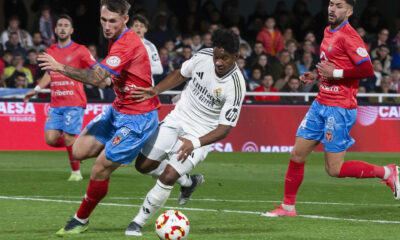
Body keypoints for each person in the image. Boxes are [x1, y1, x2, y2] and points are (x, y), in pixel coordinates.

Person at [263, 0, 399, 218]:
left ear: (350, 11)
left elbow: (366, 69)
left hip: (340, 108)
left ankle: (386, 171)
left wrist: (335, 75)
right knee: (297, 154)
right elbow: (331, 63)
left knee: (333, 170)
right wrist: (316, 75)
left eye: (338, 5)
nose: (331, 9)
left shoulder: (350, 36)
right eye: (330, 4)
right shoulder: (328, 31)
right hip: (320, 103)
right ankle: (287, 208)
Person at [37, 0, 160, 235]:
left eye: (112, 21)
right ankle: (133, 151)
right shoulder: (114, 36)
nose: (106, 26)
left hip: (138, 117)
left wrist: (59, 67)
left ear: (125, 20)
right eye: (103, 20)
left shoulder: (127, 43)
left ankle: (80, 219)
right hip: (118, 109)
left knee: (99, 168)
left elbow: (97, 78)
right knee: (78, 151)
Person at [124, 29, 246, 236]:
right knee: (143, 165)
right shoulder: (203, 56)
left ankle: (137, 222)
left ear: (236, 57)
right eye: (216, 56)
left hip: (201, 133)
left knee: (169, 175)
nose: (218, 61)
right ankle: (189, 181)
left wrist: (195, 143)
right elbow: (181, 73)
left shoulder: (236, 86)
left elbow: (224, 129)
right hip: (177, 118)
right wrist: (156, 90)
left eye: (224, 58)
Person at [24, 14, 97, 181]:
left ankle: (76, 173)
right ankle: (82, 148)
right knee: (50, 139)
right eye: (60, 25)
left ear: (71, 30)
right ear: (55, 30)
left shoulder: (80, 50)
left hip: (74, 102)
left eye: (66, 25)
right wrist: (36, 89)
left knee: (69, 136)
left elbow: (96, 70)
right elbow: (49, 74)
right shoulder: (50, 51)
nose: (62, 28)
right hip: (56, 104)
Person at [130, 14, 163, 85]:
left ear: (145, 29)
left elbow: (159, 69)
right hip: (128, 87)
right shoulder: (123, 45)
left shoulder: (150, 46)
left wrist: (139, 70)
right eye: (136, 26)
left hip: (145, 88)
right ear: (131, 28)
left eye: (141, 26)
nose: (138, 28)